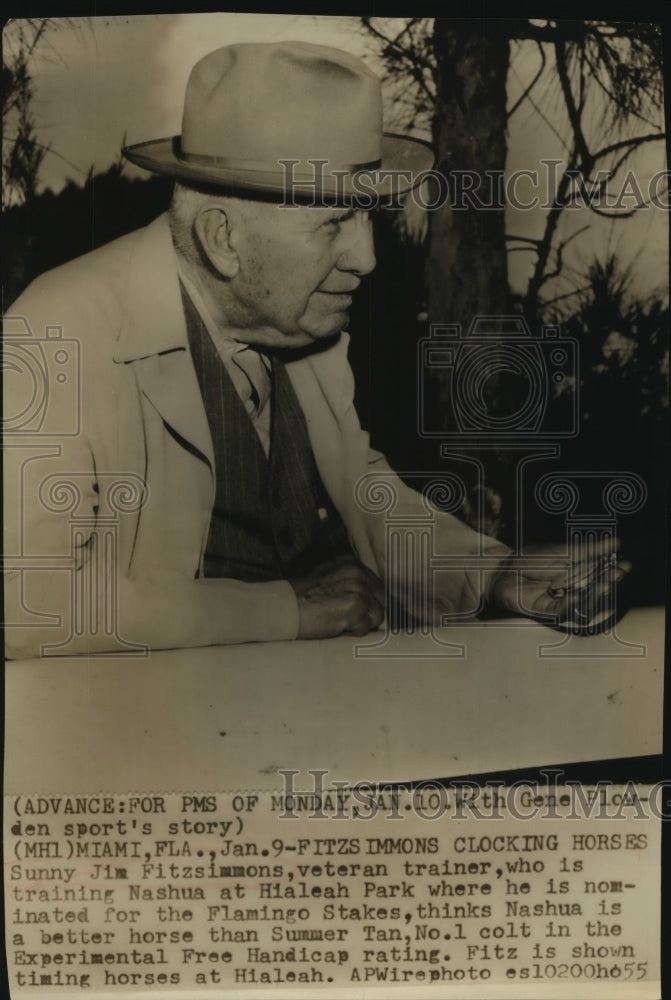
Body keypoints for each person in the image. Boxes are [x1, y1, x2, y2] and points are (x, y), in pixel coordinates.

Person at [3, 41, 627, 659]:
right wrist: (289, 610)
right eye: (333, 223)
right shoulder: (53, 333)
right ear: (222, 238)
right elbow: (24, 602)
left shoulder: (301, 327)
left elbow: (361, 493)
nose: (367, 258)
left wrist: (490, 574)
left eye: (367, 218)